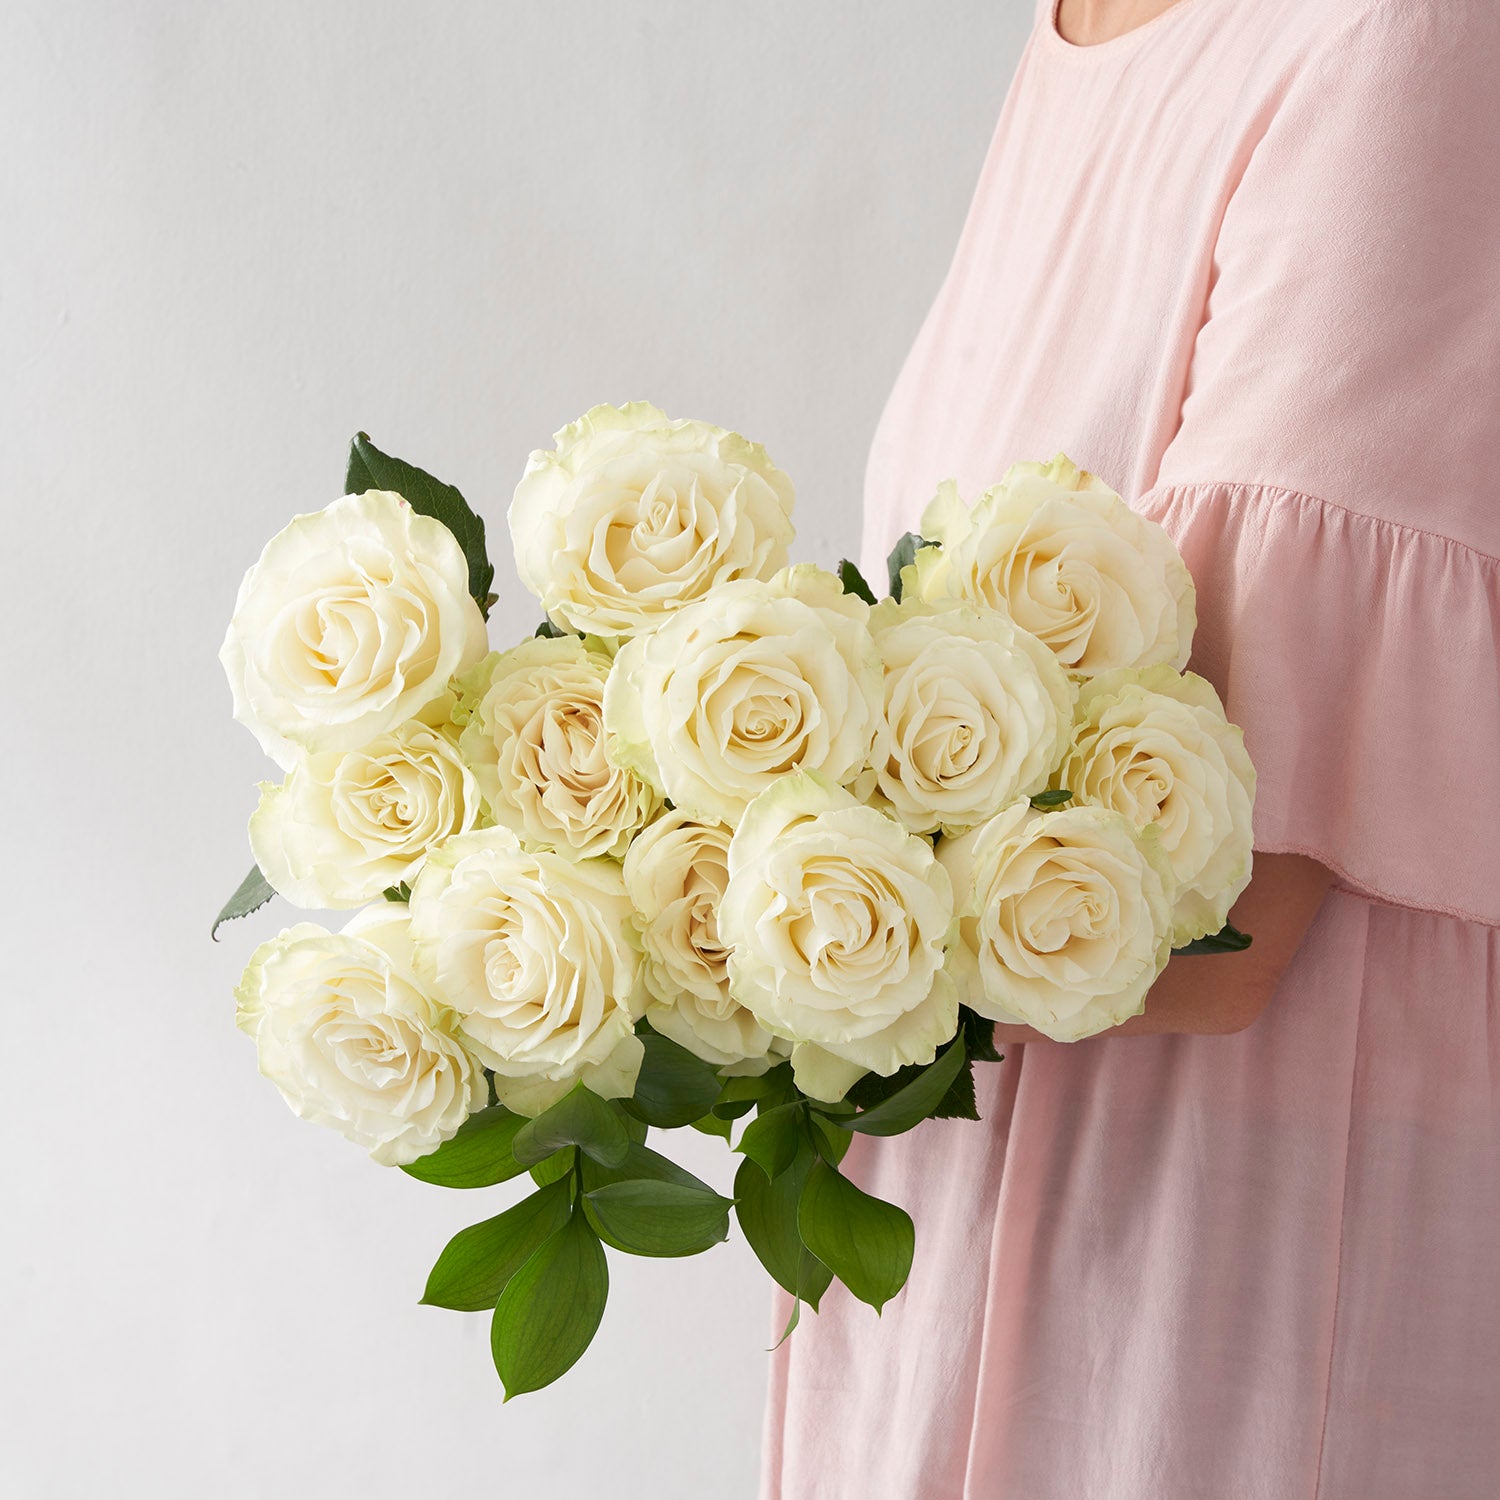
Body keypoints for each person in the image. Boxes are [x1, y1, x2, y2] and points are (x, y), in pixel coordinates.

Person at [760, 1, 1500, 1495]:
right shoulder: (1082, 31)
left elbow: (1222, 915)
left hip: (1218, 1270)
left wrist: (674, 938)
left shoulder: (1404, 38)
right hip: (947, 1224)